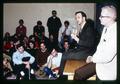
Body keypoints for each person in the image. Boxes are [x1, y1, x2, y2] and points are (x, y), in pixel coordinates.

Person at [59, 11, 97, 76]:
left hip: (87, 53)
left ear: (84, 18)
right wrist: (76, 36)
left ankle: (60, 76)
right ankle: (62, 73)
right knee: (65, 53)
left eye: (78, 17)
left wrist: (76, 38)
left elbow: (90, 44)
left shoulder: (89, 28)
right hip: (82, 50)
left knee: (64, 55)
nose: (77, 19)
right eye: (76, 18)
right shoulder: (83, 27)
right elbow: (84, 40)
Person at [86, 4, 117, 80]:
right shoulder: (106, 27)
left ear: (110, 18)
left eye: (102, 16)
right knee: (78, 73)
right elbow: (100, 48)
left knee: (79, 74)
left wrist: (92, 59)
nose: (99, 18)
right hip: (99, 64)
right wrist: (92, 56)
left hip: (108, 71)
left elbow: (107, 57)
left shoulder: (115, 32)